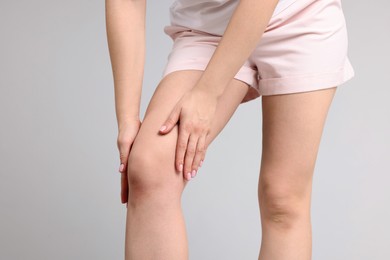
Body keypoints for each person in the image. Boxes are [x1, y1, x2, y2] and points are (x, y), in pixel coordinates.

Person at [105, 0, 355, 259]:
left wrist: (206, 92)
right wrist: (127, 118)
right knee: (150, 168)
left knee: (283, 200)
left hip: (299, 19)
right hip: (208, 27)